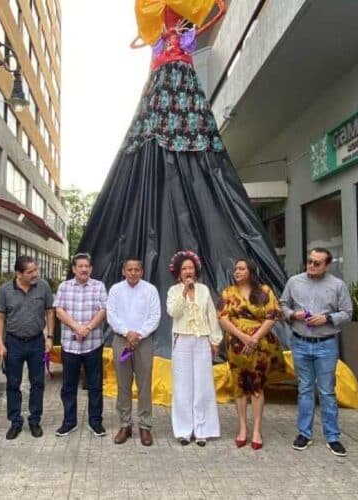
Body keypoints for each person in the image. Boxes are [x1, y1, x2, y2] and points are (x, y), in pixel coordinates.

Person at [73, 0, 289, 342]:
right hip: (166, 93)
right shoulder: (160, 21)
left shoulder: (173, 21)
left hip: (178, 91)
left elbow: (214, 10)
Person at [279, 248, 353, 456]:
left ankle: (332, 436)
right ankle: (304, 433)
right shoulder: (294, 282)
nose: (311, 265)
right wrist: (293, 314)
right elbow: (282, 304)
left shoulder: (337, 285)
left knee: (327, 391)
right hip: (300, 341)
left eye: (317, 263)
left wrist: (327, 318)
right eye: (310, 261)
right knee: (304, 389)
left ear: (327, 265)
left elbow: (347, 312)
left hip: (326, 343)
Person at [218, 258, 283, 450]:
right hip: (236, 346)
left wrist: (254, 338)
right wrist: (243, 337)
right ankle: (242, 428)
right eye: (236, 269)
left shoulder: (264, 291)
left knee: (256, 387)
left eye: (241, 268)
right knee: (239, 387)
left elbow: (273, 316)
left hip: (259, 346)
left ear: (250, 271)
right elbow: (222, 318)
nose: (237, 271)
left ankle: (256, 430)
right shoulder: (228, 292)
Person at [0, 255, 55, 440]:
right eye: (30, 272)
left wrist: (50, 337)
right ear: (18, 274)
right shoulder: (5, 290)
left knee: (38, 383)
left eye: (35, 270)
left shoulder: (43, 286)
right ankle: (15, 422)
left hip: (37, 342)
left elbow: (50, 312)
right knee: (13, 383)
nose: (35, 274)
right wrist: (0, 344)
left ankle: (35, 420)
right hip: (14, 343)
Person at [166, 250, 222, 446]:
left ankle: (202, 430)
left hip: (202, 341)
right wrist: (184, 292)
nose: (188, 271)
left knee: (203, 385)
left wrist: (215, 340)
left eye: (190, 268)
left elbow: (211, 315)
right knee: (182, 386)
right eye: (184, 269)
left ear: (195, 271)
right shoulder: (174, 291)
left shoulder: (204, 290)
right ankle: (183, 430)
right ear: (179, 273)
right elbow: (173, 312)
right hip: (181, 340)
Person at [106, 257, 161, 446]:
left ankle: (145, 426)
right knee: (123, 384)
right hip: (121, 341)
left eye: (137, 269)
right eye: (129, 269)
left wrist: (139, 334)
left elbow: (155, 316)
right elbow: (111, 315)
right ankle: (125, 424)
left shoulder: (150, 290)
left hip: (143, 342)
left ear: (142, 271)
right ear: (123, 271)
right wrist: (126, 333)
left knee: (144, 385)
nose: (133, 273)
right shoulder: (115, 290)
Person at [54, 253, 109, 437]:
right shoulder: (64, 286)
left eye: (87, 266)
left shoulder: (99, 286)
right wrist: (77, 327)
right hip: (70, 345)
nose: (84, 269)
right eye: (80, 266)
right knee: (68, 387)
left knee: (95, 386)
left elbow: (103, 310)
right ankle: (69, 422)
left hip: (93, 344)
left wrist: (88, 328)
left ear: (91, 268)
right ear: (74, 269)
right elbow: (59, 311)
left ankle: (95, 422)